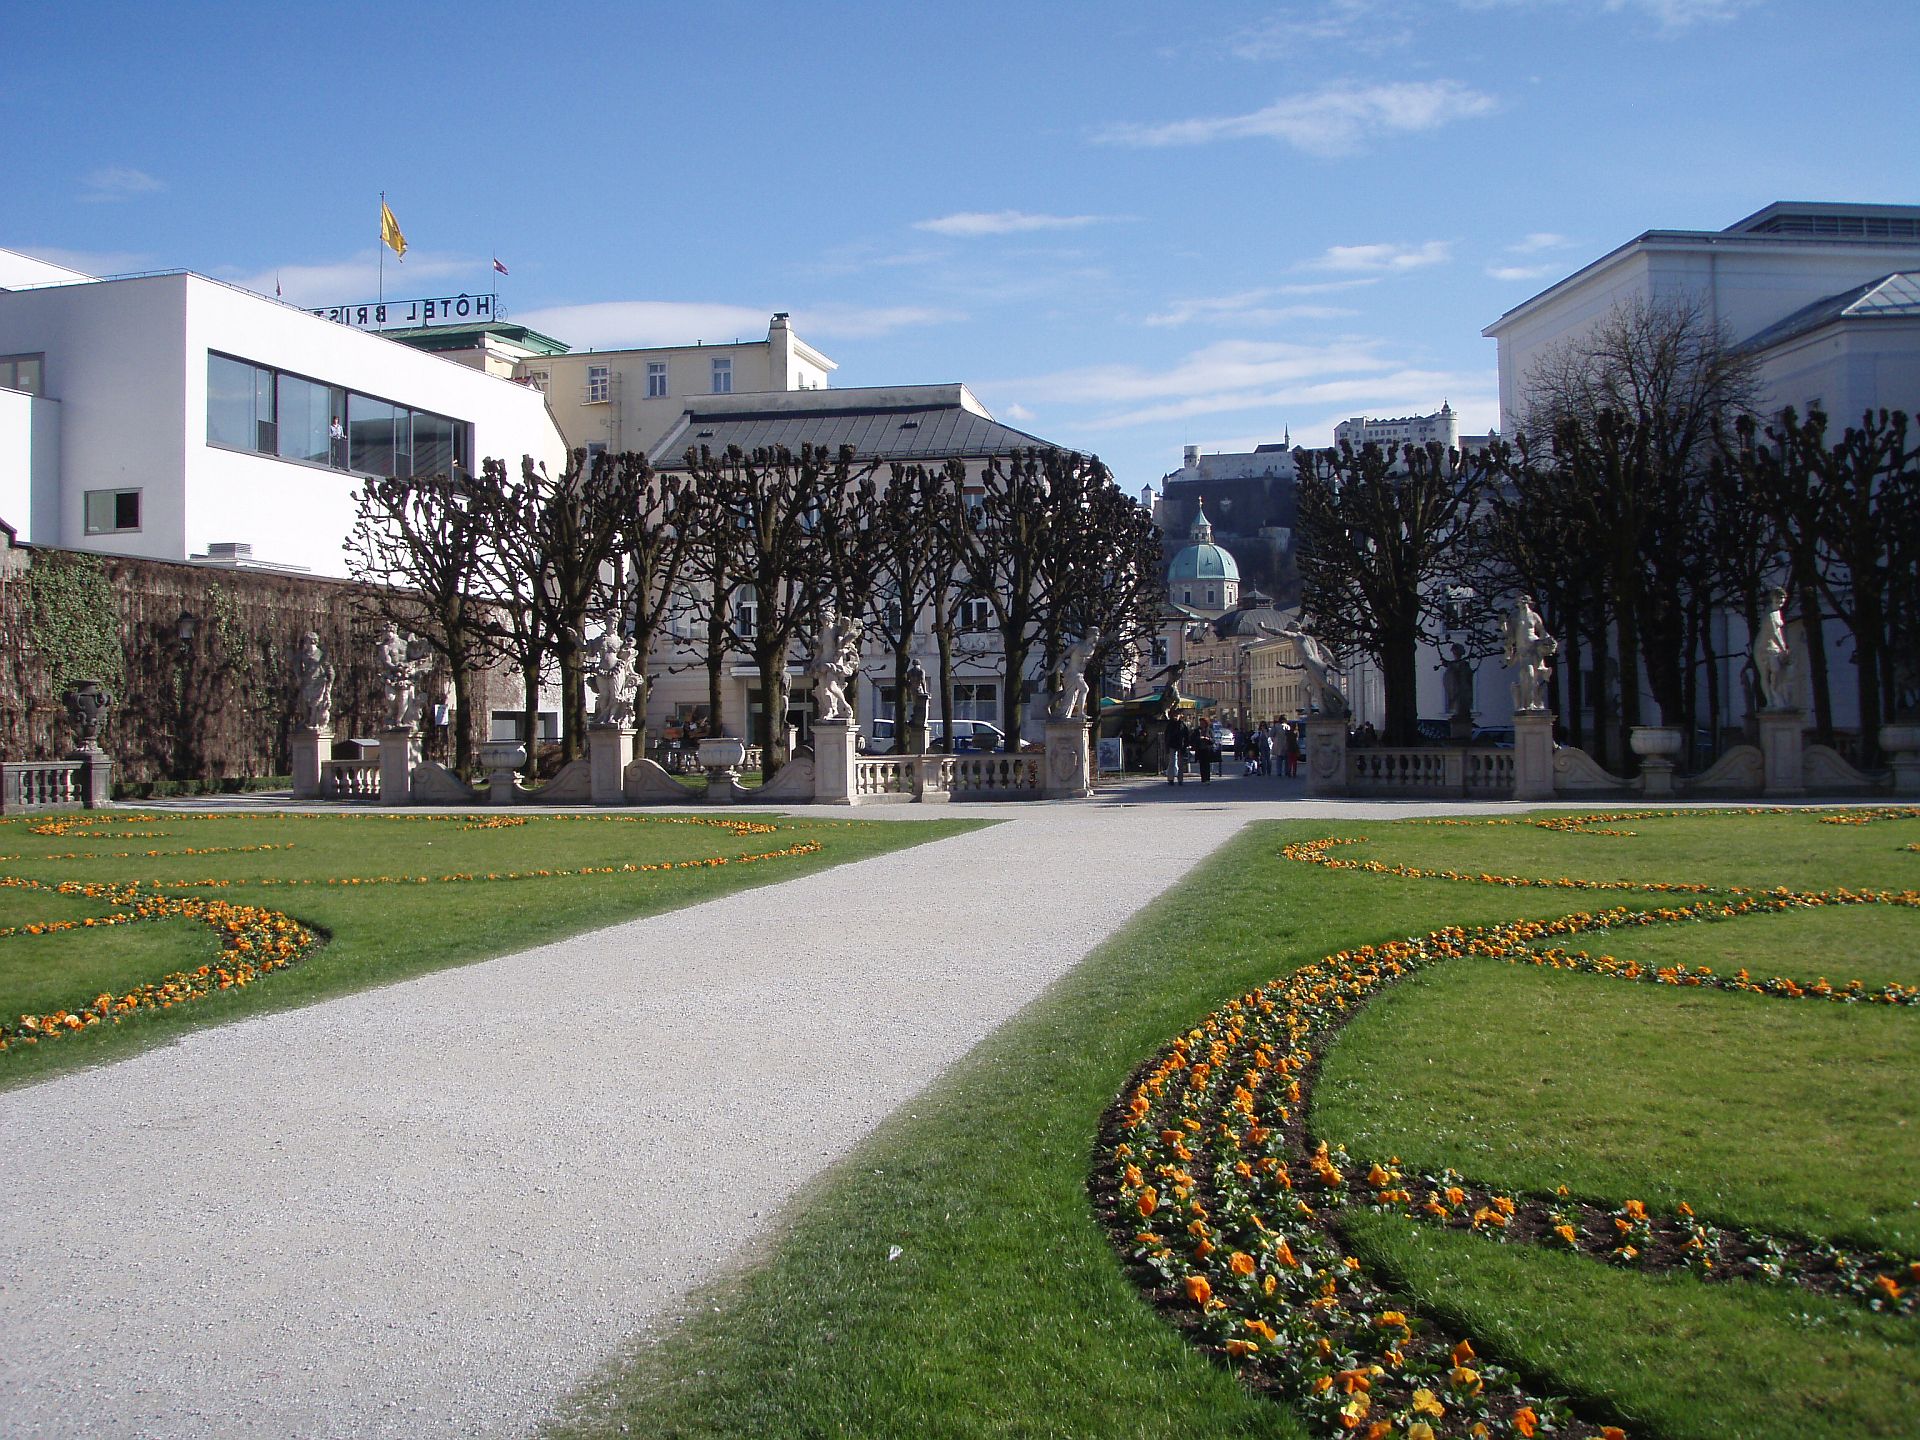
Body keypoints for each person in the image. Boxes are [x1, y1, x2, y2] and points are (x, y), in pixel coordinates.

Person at [1164, 710, 1188, 785]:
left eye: (1177, 714)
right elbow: (1166, 735)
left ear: (1180, 715)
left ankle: (1180, 780)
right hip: (1172, 745)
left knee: (1180, 763)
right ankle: (1170, 779)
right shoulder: (1170, 724)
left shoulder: (1182, 725)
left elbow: (1186, 735)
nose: (1176, 716)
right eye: (1175, 714)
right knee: (1172, 762)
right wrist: (1167, 744)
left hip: (1181, 745)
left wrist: (1186, 744)